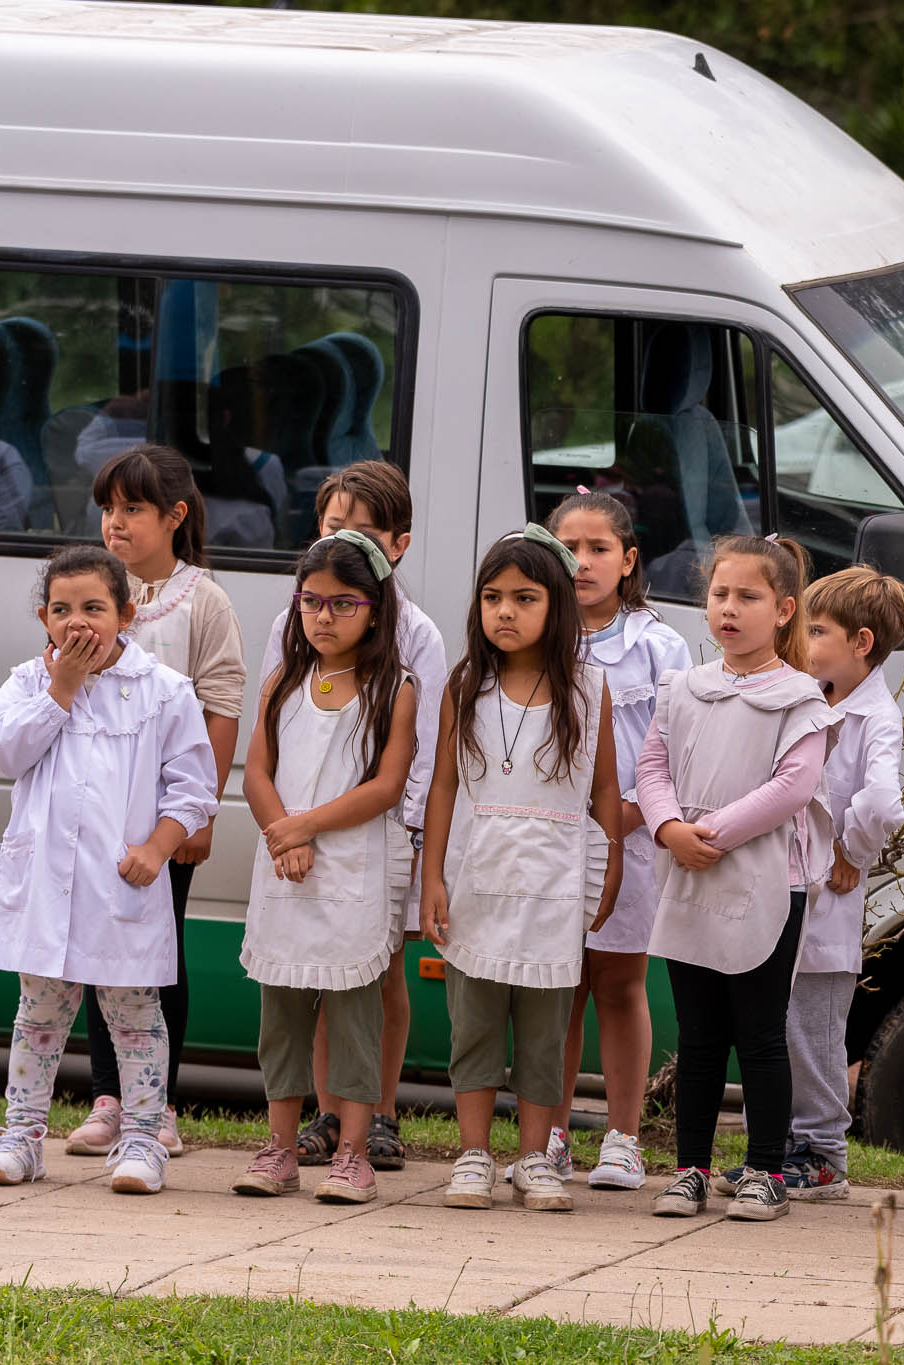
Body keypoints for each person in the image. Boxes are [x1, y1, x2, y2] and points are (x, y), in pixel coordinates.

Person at [0, 546, 218, 1194]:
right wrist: (60, 689)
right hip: (46, 887)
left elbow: (194, 786)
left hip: (121, 885)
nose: (77, 621)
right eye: (61, 609)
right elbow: (6, 753)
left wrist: (158, 847)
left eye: (93, 607)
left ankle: (143, 1140)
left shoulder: (163, 690)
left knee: (136, 1017)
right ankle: (22, 1136)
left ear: (126, 614)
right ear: (44, 617)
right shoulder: (28, 682)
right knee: (38, 1017)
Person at [635, 535, 839, 1223]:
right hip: (690, 875)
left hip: (767, 882)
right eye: (720, 594)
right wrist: (669, 827)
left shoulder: (800, 698)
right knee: (698, 1036)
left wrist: (710, 834)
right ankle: (689, 1169)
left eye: (748, 596)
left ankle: (766, 1170)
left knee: (759, 1033)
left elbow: (793, 786)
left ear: (783, 610)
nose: (729, 607)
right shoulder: (684, 688)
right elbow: (652, 766)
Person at [420, 528, 623, 1214]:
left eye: (524, 597)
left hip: (552, 886)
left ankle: (535, 1156)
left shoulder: (589, 690)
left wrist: (611, 865)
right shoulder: (464, 684)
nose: (505, 611)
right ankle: (474, 1154)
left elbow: (604, 790)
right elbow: (443, 785)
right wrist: (432, 876)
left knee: (544, 1032)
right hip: (476, 880)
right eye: (492, 597)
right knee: (474, 1026)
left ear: (557, 604)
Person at [258, 463, 447, 1175]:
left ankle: (378, 1115)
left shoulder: (414, 637)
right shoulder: (291, 634)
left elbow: (419, 752)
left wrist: (411, 838)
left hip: (381, 835)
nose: (347, 541)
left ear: (398, 545)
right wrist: (288, 831)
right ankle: (327, 1114)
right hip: (297, 837)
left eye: (365, 532)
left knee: (373, 976)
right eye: (334, 526)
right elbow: (274, 745)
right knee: (310, 969)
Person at [71, 445, 245, 1162]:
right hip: (96, 812)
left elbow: (223, 704)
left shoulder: (201, 599)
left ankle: (159, 1105)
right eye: (108, 509)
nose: (115, 523)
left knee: (155, 954)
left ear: (175, 515)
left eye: (133, 508)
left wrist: (200, 813)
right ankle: (108, 1099)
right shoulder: (89, 591)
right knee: (96, 948)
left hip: (163, 819)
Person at [232, 533, 418, 1205]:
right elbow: (256, 774)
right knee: (281, 1015)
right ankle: (280, 1149)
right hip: (285, 870)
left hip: (352, 873)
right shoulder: (283, 681)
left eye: (343, 603)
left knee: (354, 1019)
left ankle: (352, 1153)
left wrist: (306, 826)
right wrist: (284, 837)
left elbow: (386, 785)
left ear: (375, 609)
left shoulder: (395, 688)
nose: (323, 616)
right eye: (311, 601)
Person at [516, 491, 691, 1192]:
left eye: (599, 549)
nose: (582, 563)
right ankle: (550, 1136)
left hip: (630, 836)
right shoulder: (533, 632)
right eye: (569, 548)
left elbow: (675, 744)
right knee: (556, 989)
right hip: (547, 837)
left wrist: (631, 814)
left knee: (618, 983)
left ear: (629, 560)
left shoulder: (657, 645)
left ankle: (623, 1138)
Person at [782, 565, 904, 1199]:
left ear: (861, 643)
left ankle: (823, 1155)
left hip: (827, 904)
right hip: (783, 900)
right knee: (778, 1030)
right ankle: (777, 1149)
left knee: (813, 1036)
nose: (803, 641)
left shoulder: (876, 717)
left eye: (817, 631)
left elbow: (885, 805)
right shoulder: (810, 696)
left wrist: (850, 849)